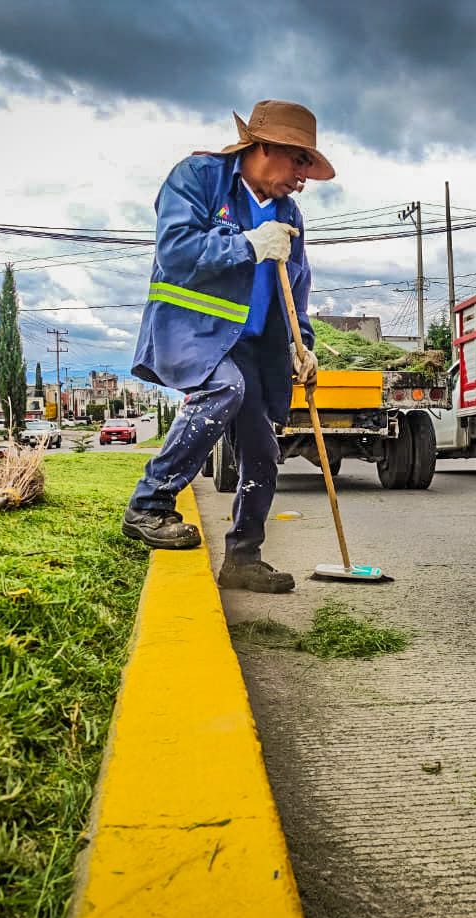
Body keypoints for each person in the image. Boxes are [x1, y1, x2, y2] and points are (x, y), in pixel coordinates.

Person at [121, 99, 332, 593]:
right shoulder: (197, 178)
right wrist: (249, 245)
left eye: (307, 166)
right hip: (196, 331)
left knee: (262, 448)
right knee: (224, 390)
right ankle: (149, 504)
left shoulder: (288, 212)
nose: (302, 177)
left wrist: (303, 343)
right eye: (298, 161)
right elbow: (175, 253)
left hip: (258, 345)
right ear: (263, 147)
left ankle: (243, 557)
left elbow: (295, 286)